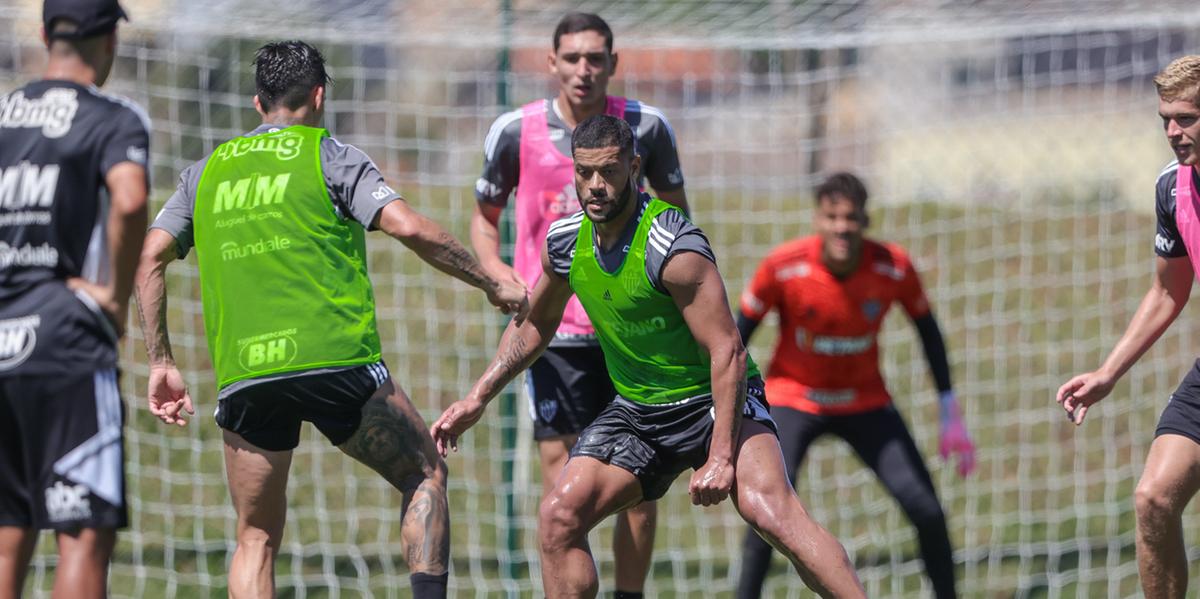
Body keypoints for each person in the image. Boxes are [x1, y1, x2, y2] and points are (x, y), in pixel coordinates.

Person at [134, 40, 528, 599]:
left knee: (255, 537)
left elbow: (149, 257)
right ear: (319, 96)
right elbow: (409, 228)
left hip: (248, 374)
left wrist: (161, 361)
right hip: (336, 363)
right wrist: (490, 281)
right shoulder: (331, 156)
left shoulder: (204, 174)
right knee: (424, 474)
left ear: (257, 103)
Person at [434, 115, 866, 599]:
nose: (596, 186)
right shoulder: (565, 242)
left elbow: (728, 351)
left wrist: (721, 456)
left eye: (610, 172)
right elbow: (535, 324)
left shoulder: (672, 246)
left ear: (634, 168)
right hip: (638, 412)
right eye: (584, 173)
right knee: (558, 518)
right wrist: (477, 397)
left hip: (711, 401)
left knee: (771, 512)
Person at [471, 13, 688, 596]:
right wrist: (497, 275)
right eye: (571, 58)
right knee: (563, 480)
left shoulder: (648, 127)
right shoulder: (514, 132)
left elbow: (678, 219)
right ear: (552, 63)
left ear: (614, 64)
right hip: (558, 335)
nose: (583, 70)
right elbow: (483, 221)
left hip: (632, 331)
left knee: (637, 490)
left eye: (595, 58)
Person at [733, 172, 975, 599]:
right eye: (832, 216)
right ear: (818, 218)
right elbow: (736, 337)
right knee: (767, 515)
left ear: (866, 218)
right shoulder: (783, 265)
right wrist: (726, 406)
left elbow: (928, 332)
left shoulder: (893, 266)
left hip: (865, 402)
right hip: (793, 399)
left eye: (851, 217)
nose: (842, 226)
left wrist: (948, 408)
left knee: (927, 510)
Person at [0, 1, 149, 597]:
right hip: (64, 339)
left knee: (8, 532)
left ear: (43, 35)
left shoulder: (3, 113)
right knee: (84, 534)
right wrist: (112, 297)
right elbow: (132, 199)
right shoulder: (114, 117)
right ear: (109, 39)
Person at [1057, 54, 1200, 599]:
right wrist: (1107, 374)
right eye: (1165, 118)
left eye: (1185, 118)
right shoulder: (1172, 189)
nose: (1171, 131)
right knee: (1154, 499)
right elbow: (1169, 290)